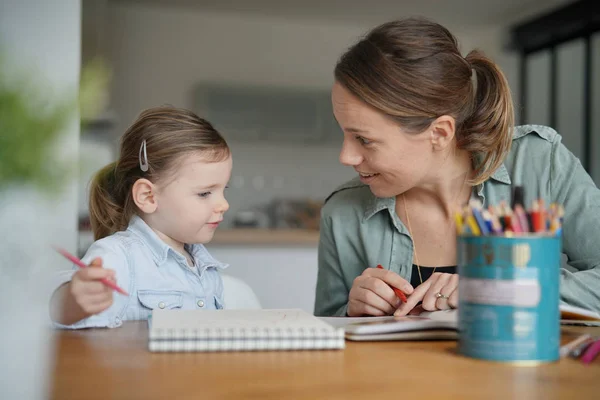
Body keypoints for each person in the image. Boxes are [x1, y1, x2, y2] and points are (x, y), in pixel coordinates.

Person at [314, 17, 600, 317]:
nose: (346, 156)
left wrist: (494, 288)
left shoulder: (540, 162)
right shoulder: (343, 211)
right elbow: (326, 326)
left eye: (364, 139)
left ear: (439, 133)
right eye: (344, 131)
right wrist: (350, 312)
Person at [49, 106, 232, 328]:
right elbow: (61, 311)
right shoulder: (117, 257)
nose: (224, 204)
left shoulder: (204, 266)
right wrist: (71, 302)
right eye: (205, 193)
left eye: (224, 190)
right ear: (148, 196)